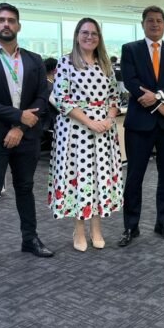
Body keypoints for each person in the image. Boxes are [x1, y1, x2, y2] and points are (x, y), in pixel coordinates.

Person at [0, 3, 54, 275]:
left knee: (25, 188)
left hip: (26, 137)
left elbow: (42, 97)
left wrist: (20, 127)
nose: (6, 24)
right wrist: (17, 117)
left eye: (11, 20)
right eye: (1, 20)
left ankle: (30, 239)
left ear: (19, 25)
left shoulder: (34, 60)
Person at [48, 18, 122, 251]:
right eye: (85, 32)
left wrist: (109, 119)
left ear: (99, 38)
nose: (89, 37)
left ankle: (96, 228)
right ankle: (79, 229)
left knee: (99, 178)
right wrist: (90, 122)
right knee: (79, 178)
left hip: (103, 131)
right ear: (77, 36)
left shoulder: (105, 64)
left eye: (94, 33)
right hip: (76, 130)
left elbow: (114, 98)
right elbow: (62, 99)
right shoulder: (66, 62)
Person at [118, 6, 164, 246]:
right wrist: (160, 105)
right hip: (140, 125)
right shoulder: (131, 49)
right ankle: (131, 226)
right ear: (143, 24)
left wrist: (159, 96)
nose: (155, 24)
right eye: (150, 20)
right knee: (134, 177)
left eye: (159, 20)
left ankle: (163, 223)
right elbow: (131, 82)